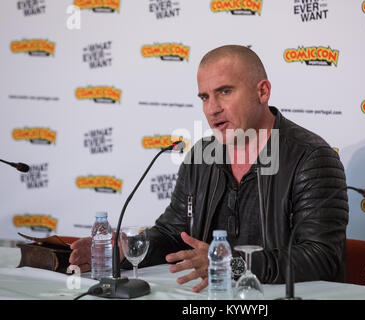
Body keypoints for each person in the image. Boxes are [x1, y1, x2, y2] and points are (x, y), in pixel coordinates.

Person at [69, 45, 349, 293]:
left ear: (262, 91)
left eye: (224, 92)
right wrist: (126, 250)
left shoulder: (311, 158)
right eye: (204, 97)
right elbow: (172, 234)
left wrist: (231, 264)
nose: (212, 108)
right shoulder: (201, 155)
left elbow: (321, 257)